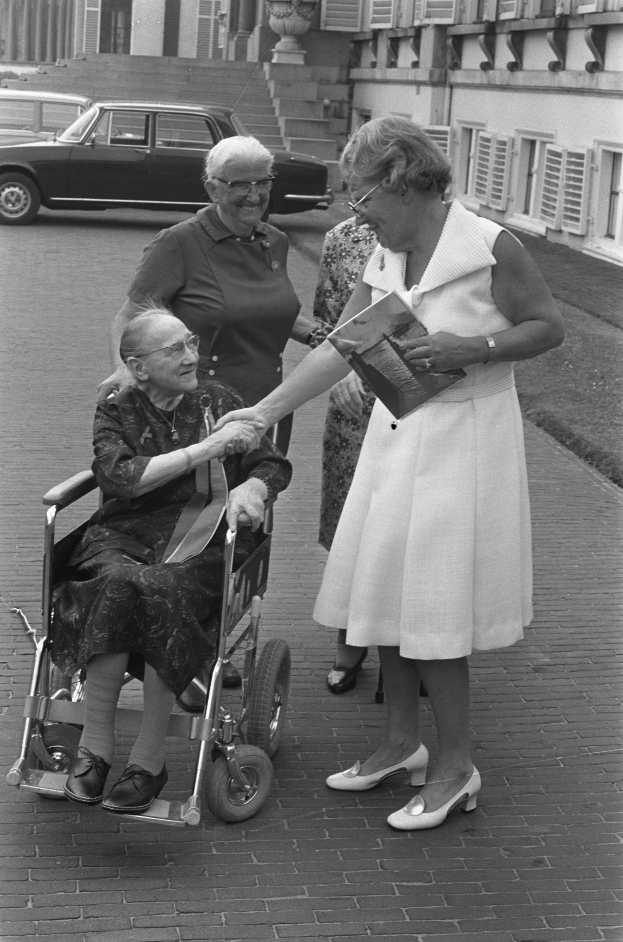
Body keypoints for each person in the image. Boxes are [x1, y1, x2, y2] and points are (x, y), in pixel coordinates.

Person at [214, 116, 565, 831]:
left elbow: (546, 325)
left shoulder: (490, 245)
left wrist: (476, 345)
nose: (356, 210)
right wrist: (263, 410)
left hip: (464, 442)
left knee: (432, 609)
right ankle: (402, 744)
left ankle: (455, 767)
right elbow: (343, 346)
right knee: (385, 598)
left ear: (402, 180)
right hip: (394, 435)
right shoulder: (384, 248)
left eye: (362, 194)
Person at [97, 134, 320, 695]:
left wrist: (320, 336)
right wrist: (131, 384)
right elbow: (131, 318)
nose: (253, 195)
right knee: (190, 523)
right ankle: (179, 649)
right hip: (196, 412)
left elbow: (270, 308)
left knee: (244, 526)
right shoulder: (180, 243)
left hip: (265, 408)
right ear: (212, 187)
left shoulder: (274, 240)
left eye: (262, 183)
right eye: (238, 184)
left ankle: (214, 642)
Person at [52, 310, 291, 814]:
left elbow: (271, 462)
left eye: (191, 343)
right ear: (137, 368)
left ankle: (148, 758)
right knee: (118, 579)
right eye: (174, 350)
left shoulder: (220, 399)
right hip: (127, 534)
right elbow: (122, 478)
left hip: (209, 542)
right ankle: (96, 748)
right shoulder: (117, 407)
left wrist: (254, 484)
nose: (190, 357)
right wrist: (207, 450)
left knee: (156, 587)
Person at [311, 218, 377, 694]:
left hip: (426, 405)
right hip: (356, 408)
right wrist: (339, 375)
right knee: (351, 519)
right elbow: (331, 325)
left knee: (414, 529)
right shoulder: (344, 238)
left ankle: (416, 652)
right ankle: (350, 643)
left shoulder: (461, 239)